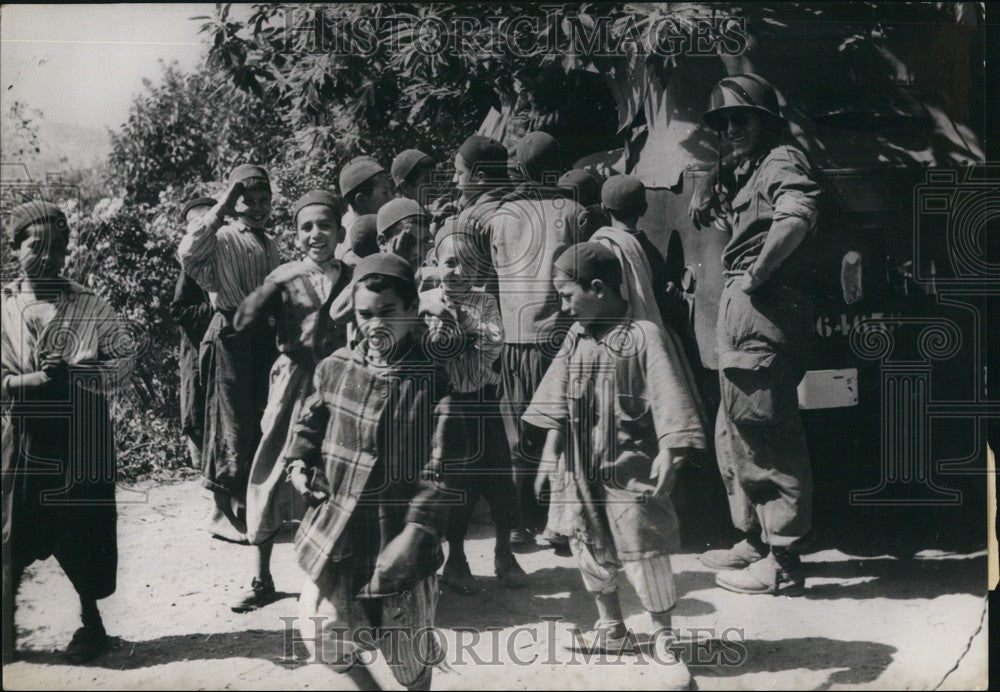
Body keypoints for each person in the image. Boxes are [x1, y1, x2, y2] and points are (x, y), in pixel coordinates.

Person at [523, 242, 705, 689]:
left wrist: (670, 452)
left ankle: (665, 638)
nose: (564, 307)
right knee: (589, 545)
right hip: (579, 470)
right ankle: (612, 626)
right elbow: (558, 403)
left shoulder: (645, 335)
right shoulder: (577, 337)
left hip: (629, 467)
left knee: (644, 551)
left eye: (568, 296)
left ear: (598, 288)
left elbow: (669, 397)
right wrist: (550, 455)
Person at [283, 253, 466, 690]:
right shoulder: (335, 366)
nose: (375, 324)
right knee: (323, 631)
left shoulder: (431, 382)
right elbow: (310, 421)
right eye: (365, 314)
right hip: (341, 529)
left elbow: (441, 471)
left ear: (411, 312)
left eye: (388, 313)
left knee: (407, 648)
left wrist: (417, 531)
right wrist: (299, 463)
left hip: (398, 534)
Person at [692, 73, 821, 594]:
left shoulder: (782, 160)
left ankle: (784, 561)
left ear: (765, 120)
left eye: (739, 118)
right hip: (743, 312)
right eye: (722, 122)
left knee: (767, 435)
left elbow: (797, 215)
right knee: (735, 431)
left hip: (761, 309)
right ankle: (755, 538)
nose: (730, 128)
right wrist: (708, 180)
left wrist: (759, 274)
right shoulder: (752, 166)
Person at [2, 201, 134, 664]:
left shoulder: (88, 305)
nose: (49, 259)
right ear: (15, 248)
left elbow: (124, 360)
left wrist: (80, 373)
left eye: (59, 249)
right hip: (20, 434)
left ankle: (91, 625)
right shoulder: (4, 307)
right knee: (12, 532)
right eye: (37, 247)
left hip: (81, 433)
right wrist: (27, 382)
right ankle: (5, 631)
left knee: (81, 531)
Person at [177, 163, 280, 611]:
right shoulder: (220, 239)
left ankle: (262, 559)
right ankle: (233, 519)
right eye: (247, 200)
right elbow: (188, 248)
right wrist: (224, 201)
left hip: (268, 340)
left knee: (266, 435)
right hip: (235, 340)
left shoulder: (270, 243)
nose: (256, 209)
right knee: (236, 437)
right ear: (233, 202)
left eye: (263, 200)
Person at [238, 190, 353, 556]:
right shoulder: (286, 277)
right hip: (294, 384)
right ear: (295, 234)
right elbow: (244, 322)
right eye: (306, 227)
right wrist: (272, 289)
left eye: (325, 226)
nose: (315, 234)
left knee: (335, 466)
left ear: (340, 233)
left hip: (340, 382)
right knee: (276, 463)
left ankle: (331, 566)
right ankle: (261, 576)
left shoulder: (354, 274)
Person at [420, 221, 526, 594]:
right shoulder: (425, 300)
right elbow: (431, 352)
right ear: (435, 262)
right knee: (456, 488)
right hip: (449, 408)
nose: (459, 271)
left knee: (500, 480)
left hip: (484, 404)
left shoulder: (485, 301)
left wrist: (458, 324)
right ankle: (457, 560)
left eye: (468, 263)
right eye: (450, 263)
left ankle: (504, 553)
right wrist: (450, 330)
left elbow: (493, 343)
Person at [491, 131, 585, 549]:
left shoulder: (501, 216)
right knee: (562, 430)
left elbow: (496, 271)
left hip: (514, 338)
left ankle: (516, 522)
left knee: (517, 436)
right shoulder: (576, 213)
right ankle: (561, 525)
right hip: (558, 339)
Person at [170, 196, 216, 469]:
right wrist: (219, 311)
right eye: (194, 224)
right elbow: (180, 310)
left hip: (230, 353)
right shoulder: (190, 265)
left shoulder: (230, 252)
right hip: (200, 354)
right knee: (200, 422)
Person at [338, 156, 393, 259]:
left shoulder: (351, 218)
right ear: (361, 200)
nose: (392, 198)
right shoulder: (355, 244)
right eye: (385, 193)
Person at [376, 197, 432, 281]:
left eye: (423, 241)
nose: (417, 251)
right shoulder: (370, 284)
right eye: (409, 241)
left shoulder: (427, 279)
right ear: (383, 242)